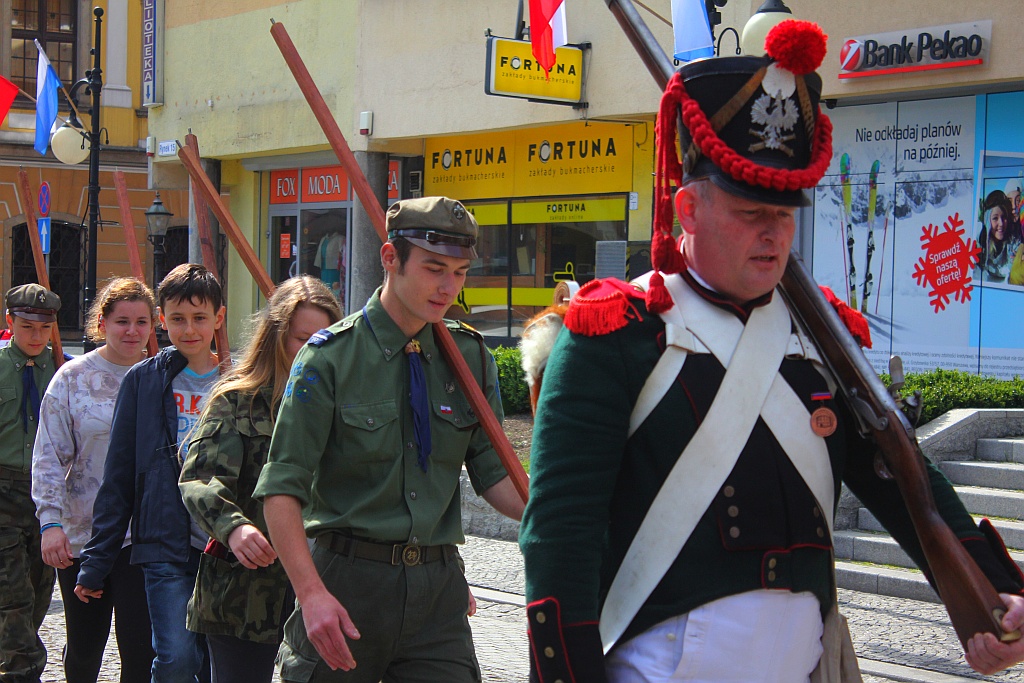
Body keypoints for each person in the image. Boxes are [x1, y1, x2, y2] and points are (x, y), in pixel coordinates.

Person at [518, 20, 1024, 683]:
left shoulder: (821, 336)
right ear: (688, 209)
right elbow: (560, 538)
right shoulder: (616, 329)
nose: (773, 234)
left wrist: (995, 591)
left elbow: (903, 479)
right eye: (750, 212)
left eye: (784, 214)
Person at [253, 195, 525, 682]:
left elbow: (495, 476)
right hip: (347, 583)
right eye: (434, 268)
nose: (448, 287)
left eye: (460, 272)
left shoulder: (470, 358)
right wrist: (311, 594)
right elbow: (281, 489)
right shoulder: (329, 358)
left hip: (438, 592)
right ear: (390, 258)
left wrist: (560, 511)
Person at [179, 276, 342, 683]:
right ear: (275, 338)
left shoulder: (346, 409)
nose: (310, 350)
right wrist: (234, 528)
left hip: (326, 586)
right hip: (245, 589)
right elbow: (200, 478)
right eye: (300, 339)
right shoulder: (237, 399)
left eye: (321, 340)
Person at [77, 263, 225, 683]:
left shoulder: (238, 379)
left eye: (199, 318)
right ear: (162, 319)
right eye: (178, 319)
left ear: (218, 318)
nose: (189, 329)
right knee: (175, 656)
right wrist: (96, 560)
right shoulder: (143, 381)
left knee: (214, 663)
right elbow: (119, 474)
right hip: (163, 543)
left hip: (223, 544)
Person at [31, 277, 157, 683]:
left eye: (141, 322)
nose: (132, 331)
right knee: (85, 647)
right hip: (84, 533)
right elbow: (48, 455)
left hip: (143, 536)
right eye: (122, 321)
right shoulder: (72, 379)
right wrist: (50, 522)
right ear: (102, 323)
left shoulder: (161, 377)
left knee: (141, 651)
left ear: (153, 325)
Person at [0, 283, 61, 683]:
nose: (36, 336)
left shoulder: (61, 371)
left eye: (44, 327)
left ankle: (12, 658)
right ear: (10, 322)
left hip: (45, 495)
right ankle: (22, 673)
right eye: (27, 327)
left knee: (39, 592)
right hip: (2, 490)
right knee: (13, 596)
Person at [978, 190, 1022, 282]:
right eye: (995, 218)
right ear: (987, 221)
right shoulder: (979, 243)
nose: (1001, 223)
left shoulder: (1013, 241)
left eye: (1004, 217)